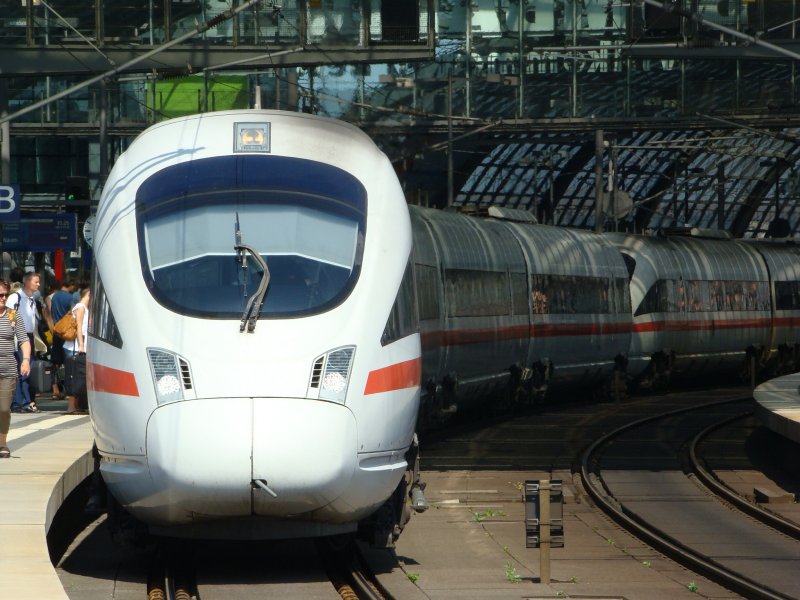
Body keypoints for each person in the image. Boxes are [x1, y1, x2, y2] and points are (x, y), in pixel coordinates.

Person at [0, 279, 33, 458]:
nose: (3, 298)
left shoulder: (13, 315)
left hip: (8, 369)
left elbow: (24, 340)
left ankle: (2, 443)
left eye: (5, 294)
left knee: (4, 409)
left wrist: (26, 360)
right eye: (0, 295)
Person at [7, 272, 41, 413]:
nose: (38, 284)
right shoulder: (16, 297)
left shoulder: (31, 298)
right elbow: (10, 316)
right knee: (21, 370)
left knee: (26, 371)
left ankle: (24, 402)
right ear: (26, 282)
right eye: (36, 282)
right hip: (18, 336)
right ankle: (19, 402)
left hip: (29, 336)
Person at [45, 279, 76, 400]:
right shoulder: (70, 298)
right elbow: (73, 314)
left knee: (56, 362)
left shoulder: (55, 296)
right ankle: (69, 391)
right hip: (67, 333)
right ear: (71, 285)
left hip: (57, 332)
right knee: (69, 362)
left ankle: (55, 390)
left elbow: (49, 314)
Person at [63, 287, 90, 415]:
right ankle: (71, 406)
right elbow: (79, 327)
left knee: (77, 377)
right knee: (74, 377)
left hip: (77, 347)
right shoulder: (80, 307)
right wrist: (81, 345)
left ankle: (76, 405)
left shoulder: (84, 308)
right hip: (74, 347)